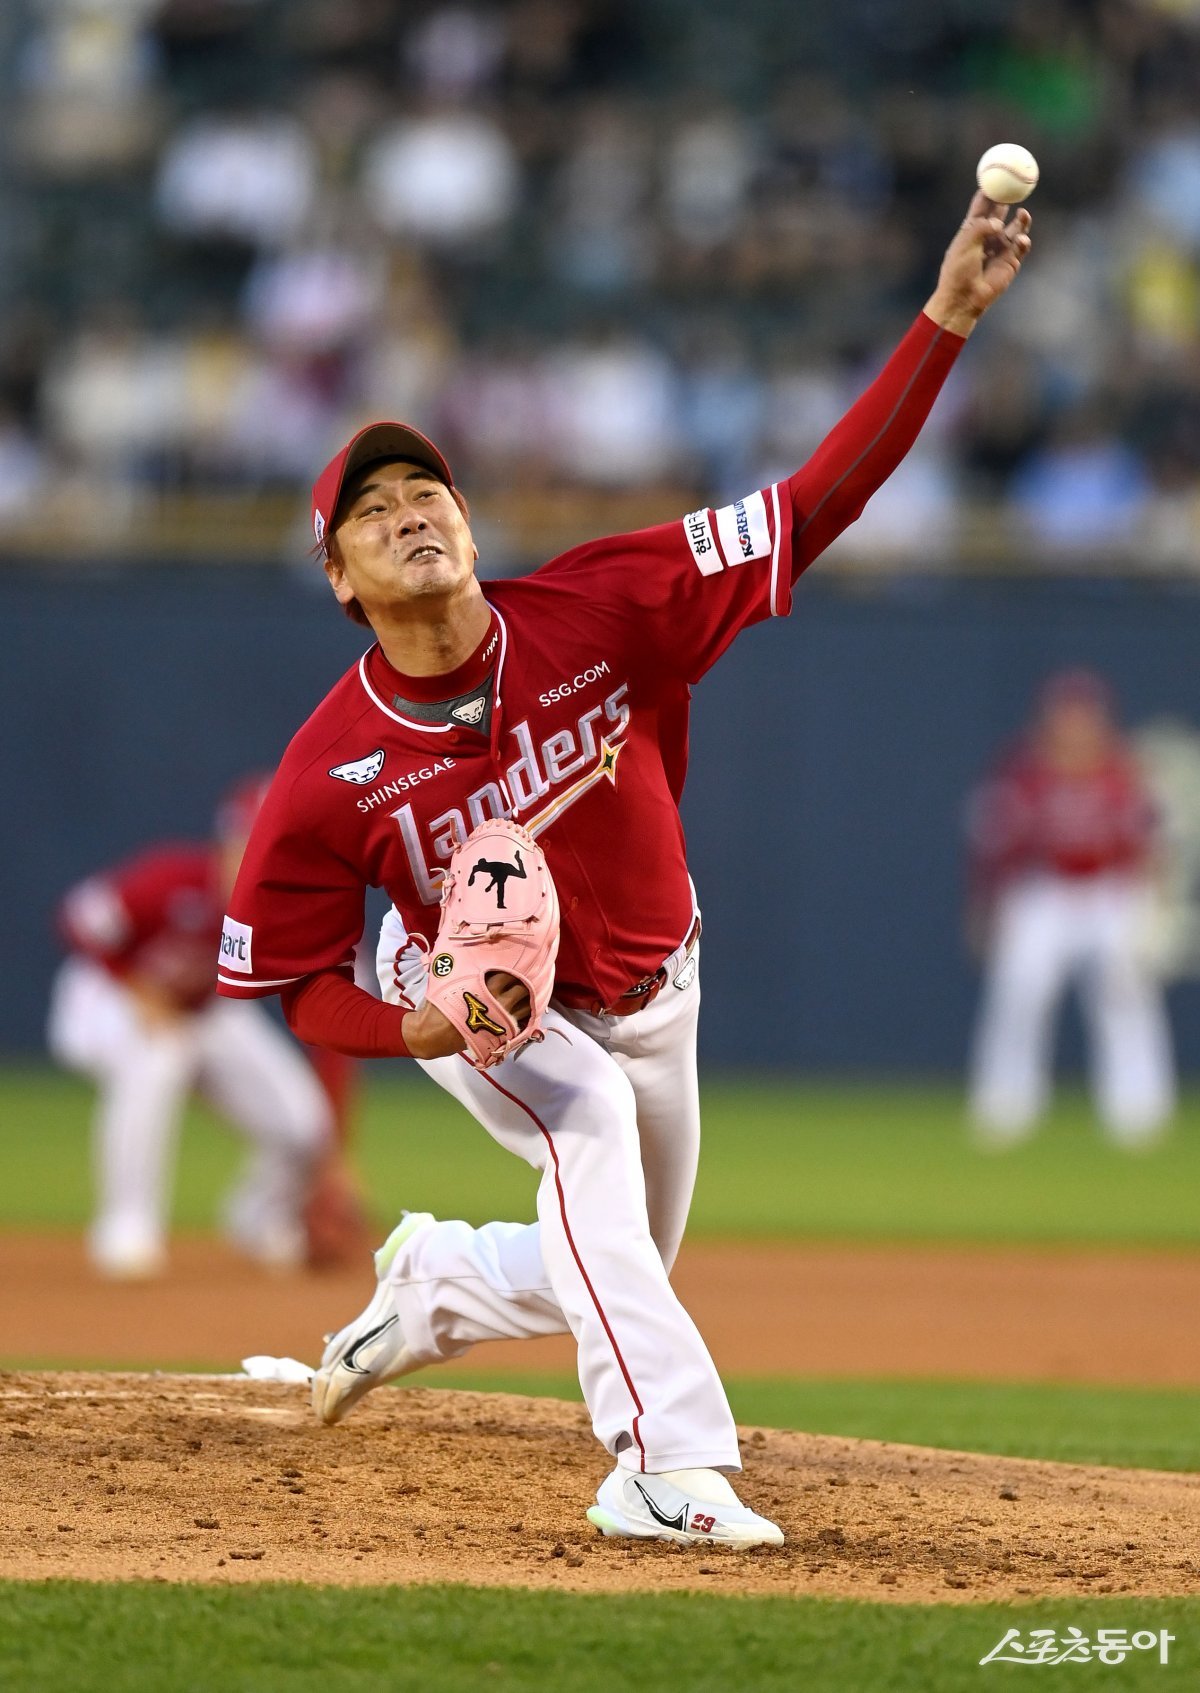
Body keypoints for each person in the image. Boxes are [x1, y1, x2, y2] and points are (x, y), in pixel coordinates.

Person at [217, 191, 1031, 1548]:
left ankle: (437, 1284)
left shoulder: (606, 603)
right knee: (583, 1119)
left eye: (427, 492)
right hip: (481, 1000)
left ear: (470, 525)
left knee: (618, 1255)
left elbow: (811, 506)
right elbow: (294, 981)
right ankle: (663, 1463)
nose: (410, 513)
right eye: (372, 511)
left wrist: (946, 315)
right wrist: (413, 1026)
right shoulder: (328, 772)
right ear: (342, 580)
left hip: (662, 982)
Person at [47, 775, 339, 1278]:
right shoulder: (172, 879)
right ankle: (126, 1228)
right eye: (252, 843)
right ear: (228, 842)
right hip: (103, 999)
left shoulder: (288, 911)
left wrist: (337, 1157)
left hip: (202, 1011)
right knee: (158, 1057)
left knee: (303, 1125)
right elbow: (79, 917)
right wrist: (136, 987)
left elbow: (323, 1013)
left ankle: (258, 1218)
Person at [966, 669, 1176, 1147]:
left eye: (1083, 715)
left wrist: (1154, 905)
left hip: (1110, 892)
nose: (1073, 725)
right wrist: (986, 906)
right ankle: (1004, 1107)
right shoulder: (1023, 772)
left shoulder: (1123, 771)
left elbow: (1151, 844)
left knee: (1125, 998)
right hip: (1043, 893)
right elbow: (995, 844)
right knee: (1020, 995)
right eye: (1065, 715)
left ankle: (1138, 1111)